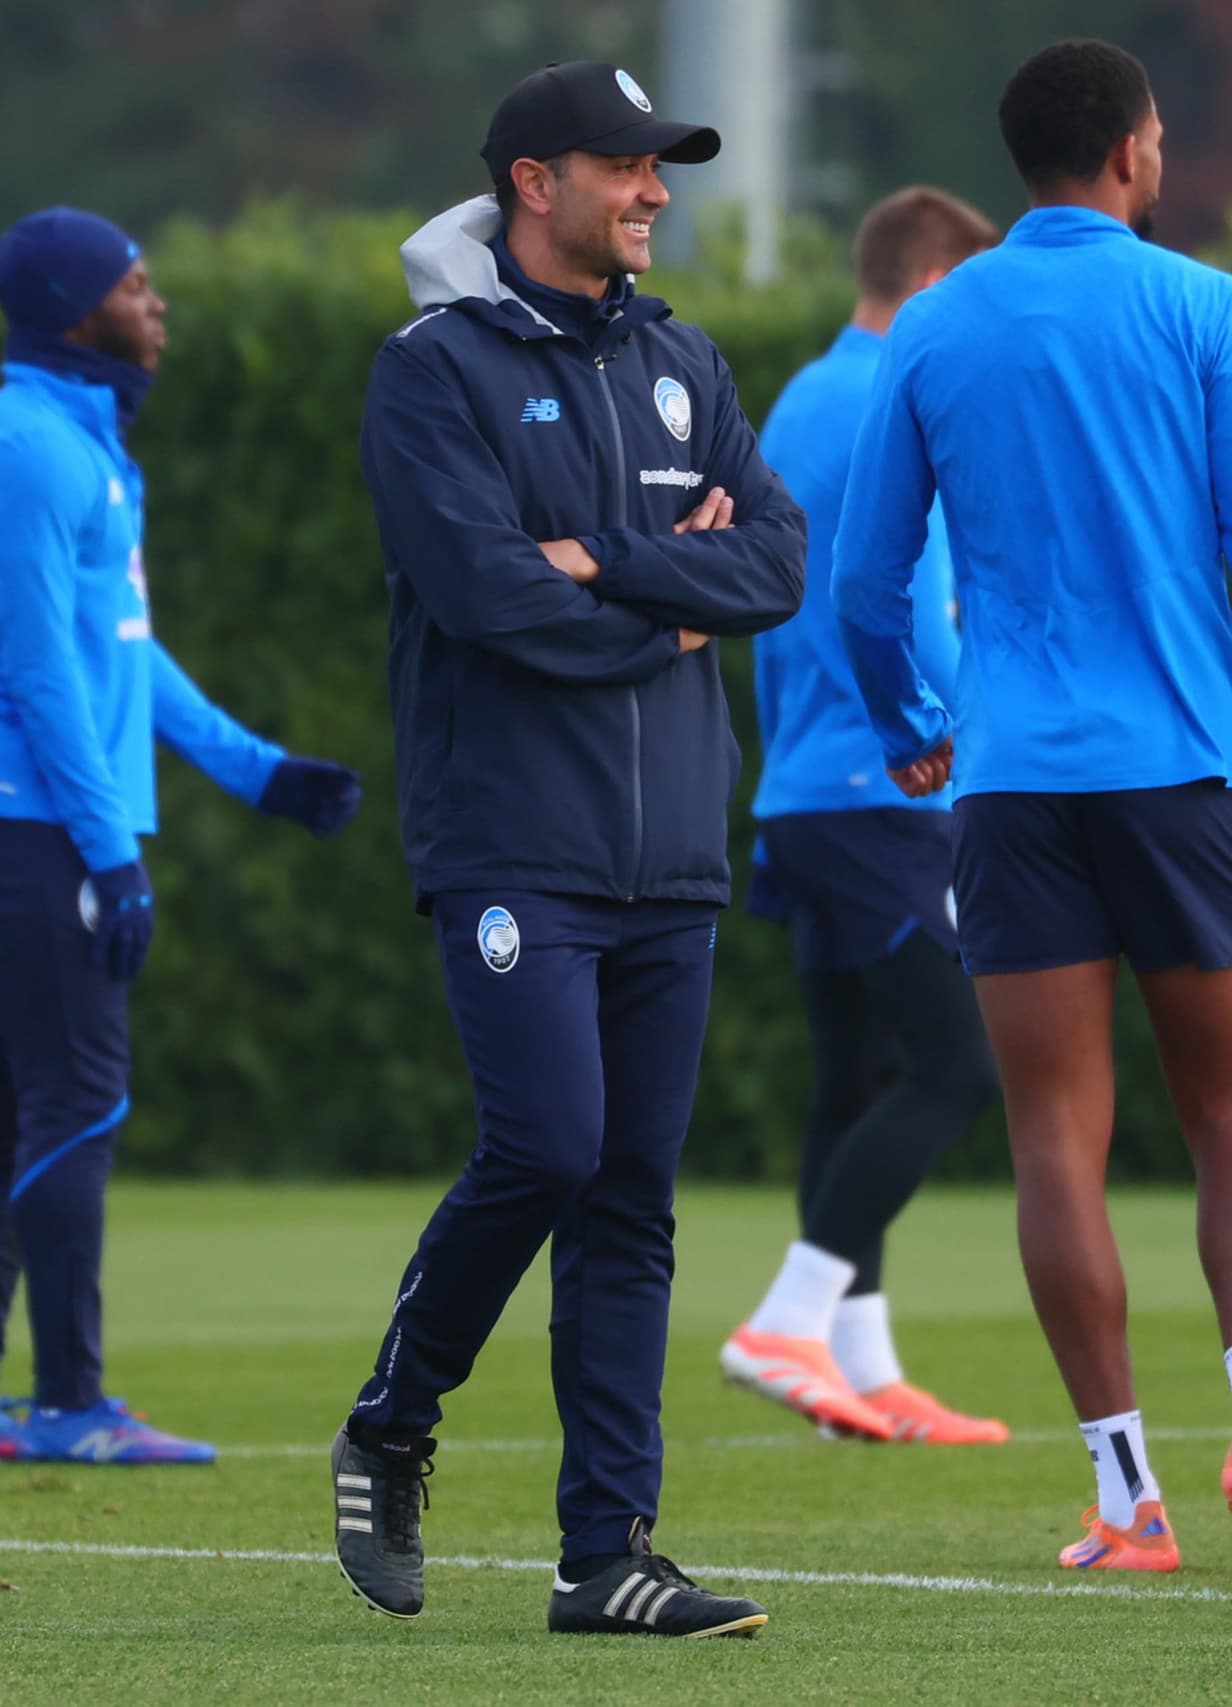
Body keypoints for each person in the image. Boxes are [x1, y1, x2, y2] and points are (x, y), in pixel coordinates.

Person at [335, 61, 804, 1637]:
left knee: (631, 1195)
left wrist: (608, 562)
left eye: (662, 165)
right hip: (512, 843)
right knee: (546, 1145)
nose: (656, 189)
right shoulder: (431, 372)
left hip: (670, 855)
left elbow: (779, 562)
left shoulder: (685, 358)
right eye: (627, 165)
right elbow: (488, 598)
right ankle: (394, 1416)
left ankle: (605, 1553)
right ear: (536, 183)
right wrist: (672, 604)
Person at [832, 37, 1232, 1571]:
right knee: (1224, 1119)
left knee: (1055, 1136)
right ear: (1131, 151)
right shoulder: (1201, 308)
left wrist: (907, 725)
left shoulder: (935, 325)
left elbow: (864, 581)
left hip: (1010, 786)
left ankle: (1129, 1501)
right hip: (1185, 769)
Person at [0, 207, 361, 1465]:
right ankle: (71, 1405)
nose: (158, 303)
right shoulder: (30, 450)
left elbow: (124, 652)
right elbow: (40, 679)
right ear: (76, 311)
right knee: (77, 1104)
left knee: (7, 1109)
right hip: (32, 822)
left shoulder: (87, 443)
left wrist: (258, 772)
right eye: (135, 285)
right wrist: (107, 851)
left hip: (40, 820)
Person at [718, 188, 1006, 1447]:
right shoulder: (896, 394)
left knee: (860, 1073)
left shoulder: (805, 395)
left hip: (809, 788)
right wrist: (973, 732)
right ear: (935, 289)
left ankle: (860, 1366)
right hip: (881, 789)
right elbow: (905, 613)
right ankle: (786, 1320)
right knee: (959, 1066)